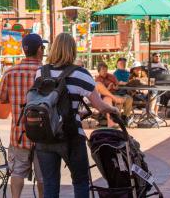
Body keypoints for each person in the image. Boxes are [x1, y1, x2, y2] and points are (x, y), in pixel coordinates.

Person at [35, 33, 119, 198]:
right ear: (72, 50)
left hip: (45, 135)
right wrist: (114, 110)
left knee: (50, 184)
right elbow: (100, 106)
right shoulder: (80, 73)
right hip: (71, 135)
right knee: (80, 181)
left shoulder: (41, 72)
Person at [0, 34, 45, 198]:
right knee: (44, 176)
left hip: (18, 134)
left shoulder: (10, 72)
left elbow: (2, 100)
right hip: (43, 135)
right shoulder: (46, 73)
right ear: (40, 49)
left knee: (17, 171)